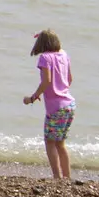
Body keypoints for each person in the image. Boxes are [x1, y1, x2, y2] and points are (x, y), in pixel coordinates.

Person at [24, 29, 76, 181]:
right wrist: (60, 89)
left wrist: (33, 97)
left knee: (50, 142)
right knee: (60, 143)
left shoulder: (44, 58)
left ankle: (57, 177)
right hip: (69, 104)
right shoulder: (64, 55)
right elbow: (70, 79)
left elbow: (46, 81)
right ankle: (66, 177)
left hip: (56, 107)